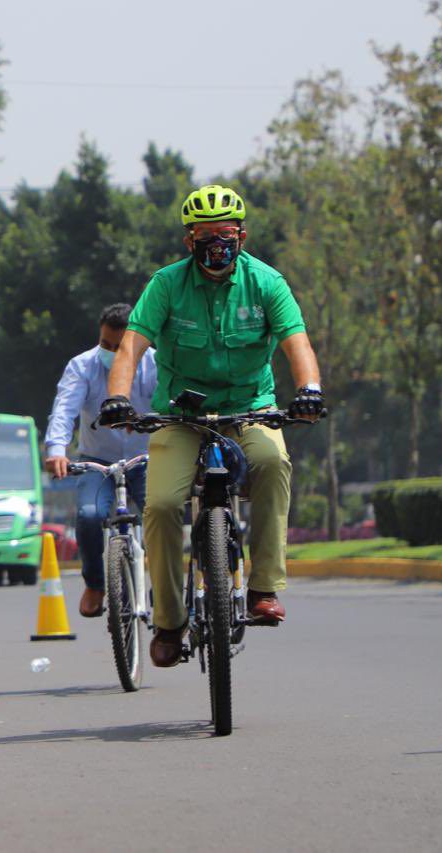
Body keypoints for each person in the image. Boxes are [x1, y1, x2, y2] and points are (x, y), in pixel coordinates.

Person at [100, 184, 325, 668]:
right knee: (159, 506)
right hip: (181, 416)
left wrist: (308, 391)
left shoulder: (267, 283)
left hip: (250, 408)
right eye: (205, 235)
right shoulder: (166, 285)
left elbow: (297, 343)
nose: (216, 244)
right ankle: (168, 620)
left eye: (225, 233)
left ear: (241, 236)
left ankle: (264, 587)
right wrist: (118, 398)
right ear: (189, 241)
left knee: (273, 461)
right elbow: (131, 347)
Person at [44, 304, 157, 618]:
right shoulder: (82, 366)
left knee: (163, 516)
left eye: (118, 347)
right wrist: (56, 450)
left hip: (147, 460)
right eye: (105, 344)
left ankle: (163, 587)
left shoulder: (155, 364)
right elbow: (64, 410)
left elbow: (168, 404)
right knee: (90, 515)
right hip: (97, 462)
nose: (109, 353)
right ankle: (95, 583)